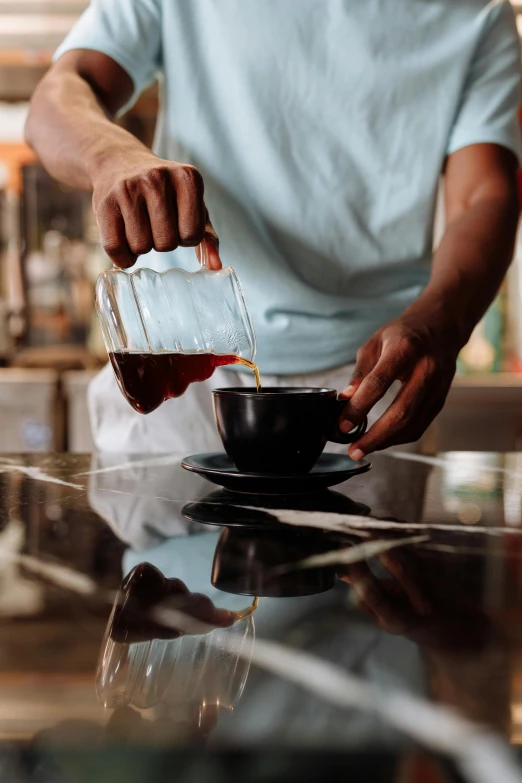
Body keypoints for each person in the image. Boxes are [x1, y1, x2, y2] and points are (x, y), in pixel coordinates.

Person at [25, 0, 521, 455]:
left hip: (363, 388)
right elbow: (60, 95)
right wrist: (112, 156)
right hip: (177, 368)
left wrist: (442, 320)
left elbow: (483, 194)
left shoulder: (478, 13)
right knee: (161, 554)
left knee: (353, 554)